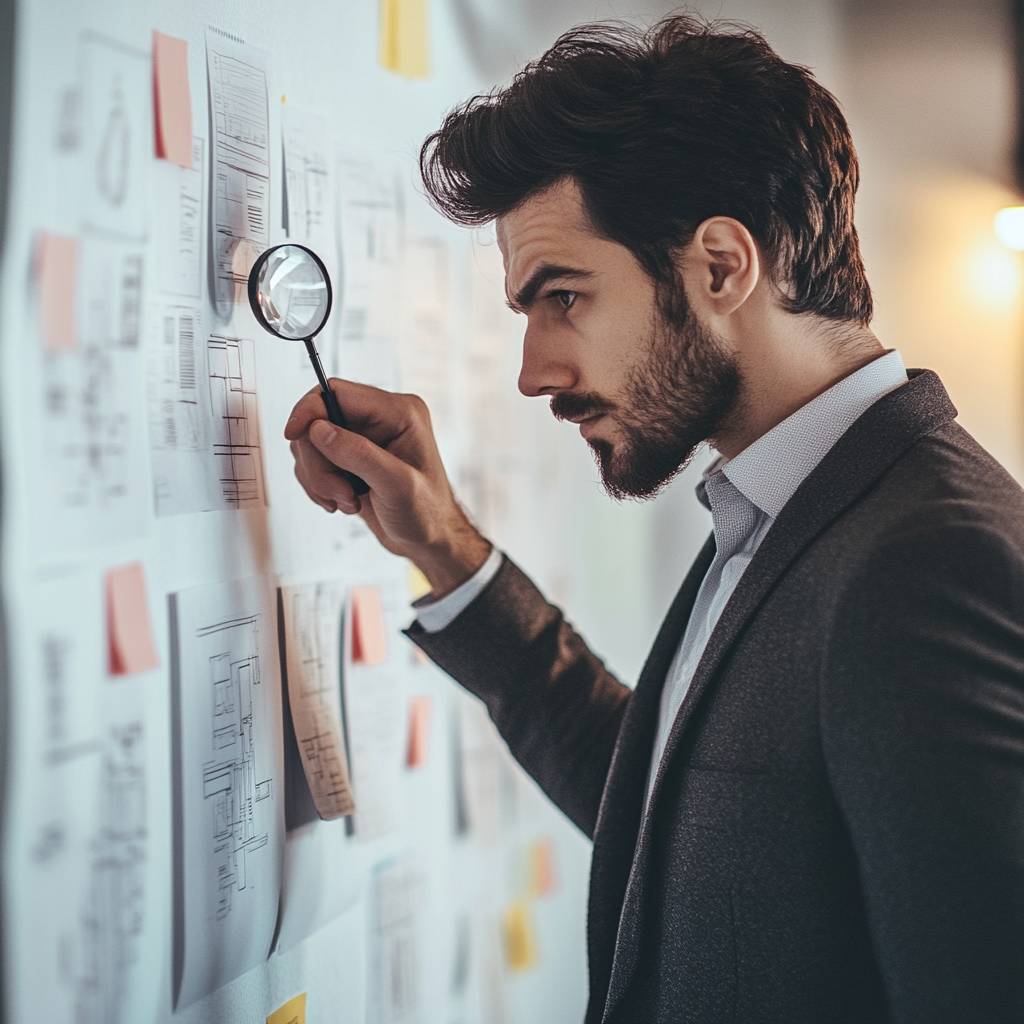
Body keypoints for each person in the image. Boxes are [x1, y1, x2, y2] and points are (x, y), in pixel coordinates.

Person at [285, 14, 1024, 1023]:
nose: (534, 371)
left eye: (564, 298)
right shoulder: (781, 507)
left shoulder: (929, 560)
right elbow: (673, 828)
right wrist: (444, 547)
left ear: (720, 266)